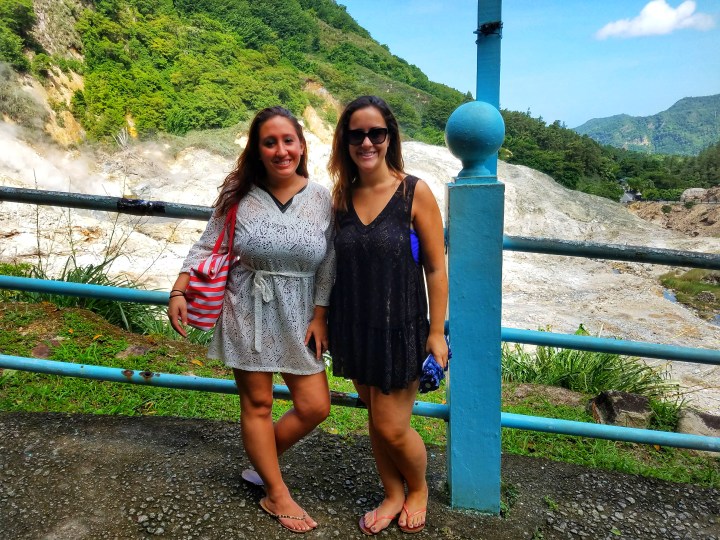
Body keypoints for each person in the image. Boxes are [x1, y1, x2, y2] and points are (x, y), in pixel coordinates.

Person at [167, 106, 335, 534]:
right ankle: (275, 493)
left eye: (288, 140)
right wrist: (179, 289)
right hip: (248, 306)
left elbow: (329, 262)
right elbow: (208, 245)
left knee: (315, 405)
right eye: (270, 142)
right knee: (258, 404)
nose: (281, 150)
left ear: (301, 144)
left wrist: (320, 315)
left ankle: (263, 461)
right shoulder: (239, 197)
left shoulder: (321, 198)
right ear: (257, 150)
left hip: (300, 311)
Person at [327, 95, 448, 535]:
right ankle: (391, 493)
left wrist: (437, 333)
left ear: (389, 137)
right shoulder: (340, 196)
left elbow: (435, 266)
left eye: (375, 133)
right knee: (375, 417)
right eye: (356, 134)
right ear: (345, 141)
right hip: (355, 327)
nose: (366, 142)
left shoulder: (414, 192)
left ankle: (417, 489)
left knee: (393, 427)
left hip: (402, 328)